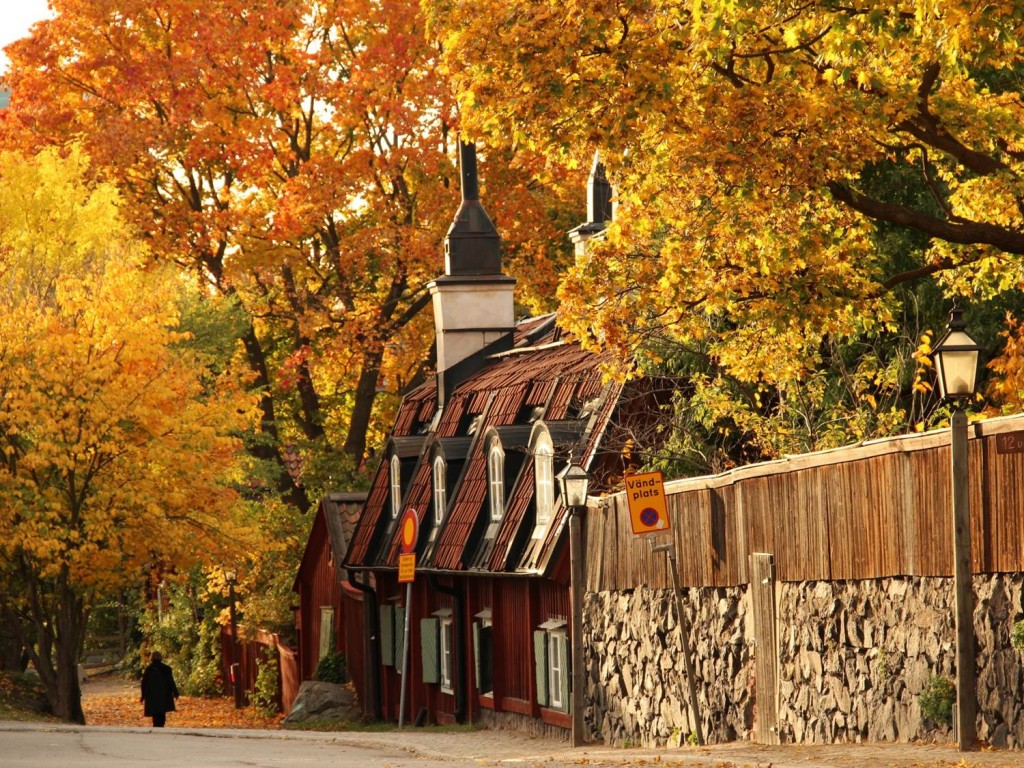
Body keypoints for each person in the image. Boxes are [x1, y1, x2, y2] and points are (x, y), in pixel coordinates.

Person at [140, 651, 179, 727]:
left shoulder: (149, 669)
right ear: (160, 658)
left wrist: (143, 696)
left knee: (155, 712)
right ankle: (161, 725)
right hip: (164, 694)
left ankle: (156, 725)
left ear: (151, 658)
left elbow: (143, 684)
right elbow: (171, 681)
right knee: (162, 711)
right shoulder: (166, 669)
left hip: (152, 694)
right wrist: (175, 692)